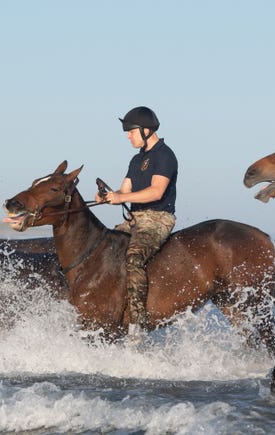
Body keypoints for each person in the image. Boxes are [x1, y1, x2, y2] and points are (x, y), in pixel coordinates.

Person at [96, 106, 178, 334]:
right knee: (104, 249)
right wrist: (106, 197)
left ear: (146, 130)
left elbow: (156, 192)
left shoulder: (165, 155)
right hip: (134, 220)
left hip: (158, 219)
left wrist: (121, 197)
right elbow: (124, 189)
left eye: (131, 131)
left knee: (133, 258)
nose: (128, 136)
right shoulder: (136, 159)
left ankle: (137, 319)